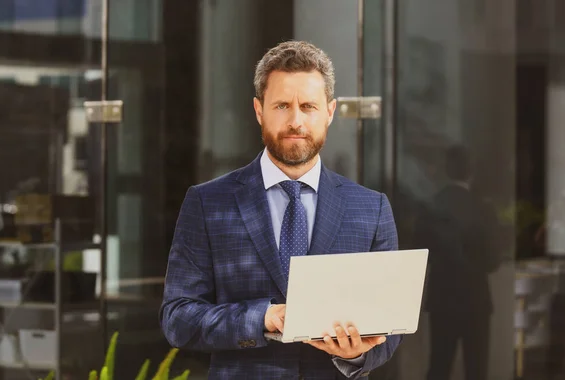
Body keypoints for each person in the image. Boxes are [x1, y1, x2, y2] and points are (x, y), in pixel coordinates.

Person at [160, 40, 402, 379]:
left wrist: (357, 355)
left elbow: (391, 327)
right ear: (259, 111)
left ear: (330, 111)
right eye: (282, 106)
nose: (296, 121)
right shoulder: (207, 203)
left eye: (308, 106)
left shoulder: (371, 208)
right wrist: (263, 318)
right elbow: (178, 319)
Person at [415, 144, 501, 380]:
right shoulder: (483, 208)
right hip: (476, 300)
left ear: (447, 169)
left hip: (443, 299)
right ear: (471, 170)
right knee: (476, 369)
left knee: (439, 366)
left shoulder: (433, 205)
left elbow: (421, 252)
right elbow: (494, 260)